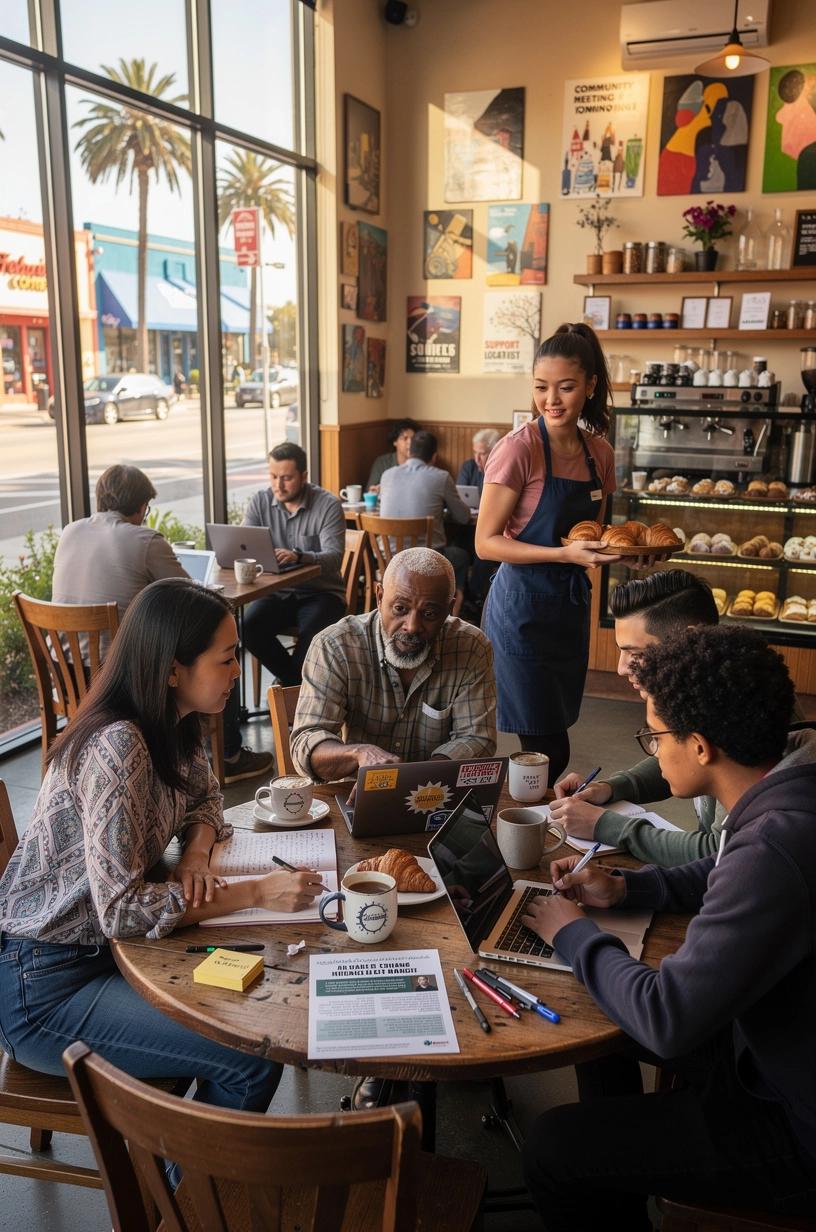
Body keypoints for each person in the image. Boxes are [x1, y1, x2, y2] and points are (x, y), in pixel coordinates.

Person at [520, 626, 816, 1229]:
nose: (652, 752)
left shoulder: (775, 847)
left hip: (795, 1127)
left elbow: (667, 1017)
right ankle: (628, 1169)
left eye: (654, 736)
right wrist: (628, 887)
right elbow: (725, 871)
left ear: (700, 746)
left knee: (555, 1147)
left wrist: (570, 929)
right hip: (776, 1046)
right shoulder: (785, 800)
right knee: (608, 1020)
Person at [0, 579, 324, 1126]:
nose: (238, 672)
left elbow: (207, 798)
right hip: (46, 986)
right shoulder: (119, 747)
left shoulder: (176, 721)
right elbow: (122, 911)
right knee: (248, 1053)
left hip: (109, 953)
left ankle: (190, 1189)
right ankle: (179, 1210)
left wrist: (196, 856)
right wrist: (256, 892)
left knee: (259, 996)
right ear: (174, 669)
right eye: (227, 660)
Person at [552, 569, 815, 865]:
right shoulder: (707, 686)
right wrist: (613, 787)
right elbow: (680, 757)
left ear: (688, 638)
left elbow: (720, 852)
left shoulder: (750, 710)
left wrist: (607, 825)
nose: (621, 668)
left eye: (635, 653)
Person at [52, 464, 271, 785]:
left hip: (65, 673)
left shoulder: (71, 531)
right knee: (212, 653)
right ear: (141, 506)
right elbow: (192, 600)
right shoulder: (144, 540)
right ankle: (229, 756)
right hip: (117, 678)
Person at [475, 322, 618, 784]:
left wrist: (627, 552)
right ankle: (530, 832)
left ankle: (533, 826)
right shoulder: (518, 451)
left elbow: (596, 532)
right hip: (522, 612)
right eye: (541, 388)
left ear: (590, 386)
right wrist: (565, 556)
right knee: (546, 742)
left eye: (566, 387)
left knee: (554, 730)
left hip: (569, 610)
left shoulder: (600, 453)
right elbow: (486, 543)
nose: (551, 400)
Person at [290, 547, 496, 783]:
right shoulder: (336, 646)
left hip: (435, 794)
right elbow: (305, 745)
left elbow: (478, 739)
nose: (412, 626)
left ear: (449, 610)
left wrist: (407, 782)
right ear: (379, 596)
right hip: (354, 795)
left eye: (429, 613)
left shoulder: (471, 647)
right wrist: (360, 754)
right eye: (400, 609)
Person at [241, 443, 347, 687]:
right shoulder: (260, 501)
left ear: (304, 477)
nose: (278, 485)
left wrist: (300, 556)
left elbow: (334, 558)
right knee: (247, 628)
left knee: (312, 636)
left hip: (321, 593)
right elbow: (244, 543)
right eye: (273, 477)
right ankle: (292, 687)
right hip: (276, 592)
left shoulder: (328, 505)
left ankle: (288, 691)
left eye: (286, 478)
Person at [379, 430, 471, 616]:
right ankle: (452, 612)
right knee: (461, 556)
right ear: (434, 457)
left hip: (388, 558)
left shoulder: (387, 475)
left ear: (409, 452)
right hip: (427, 560)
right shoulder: (441, 477)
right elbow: (463, 517)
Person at [366, 418, 419, 491]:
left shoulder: (421, 462)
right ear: (395, 442)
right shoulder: (382, 462)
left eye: (413, 439)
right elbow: (370, 491)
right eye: (405, 438)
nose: (410, 442)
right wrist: (375, 490)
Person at [457, 428, 502, 496]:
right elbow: (460, 495)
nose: (477, 459)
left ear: (495, 453)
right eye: (475, 452)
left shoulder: (502, 471)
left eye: (482, 454)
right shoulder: (468, 466)